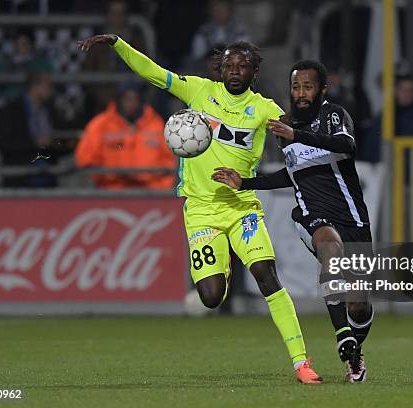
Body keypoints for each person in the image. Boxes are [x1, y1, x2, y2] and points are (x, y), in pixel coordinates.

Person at [78, 34, 322, 384]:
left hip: (241, 209)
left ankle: (301, 362)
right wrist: (118, 43)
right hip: (201, 209)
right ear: (220, 70)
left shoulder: (265, 109)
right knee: (210, 297)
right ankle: (218, 267)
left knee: (267, 275)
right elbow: (153, 73)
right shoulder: (199, 92)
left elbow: (298, 136)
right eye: (229, 65)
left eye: (242, 66)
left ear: (254, 72)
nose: (235, 71)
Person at [212, 60, 375, 383]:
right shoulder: (285, 127)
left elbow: (348, 146)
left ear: (322, 90)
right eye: (296, 87)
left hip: (352, 217)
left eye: (308, 87)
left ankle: (354, 347)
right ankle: (342, 333)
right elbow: (292, 173)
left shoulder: (332, 115)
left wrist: (298, 135)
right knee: (329, 246)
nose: (300, 93)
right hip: (311, 214)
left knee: (359, 304)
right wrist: (245, 183)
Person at [75, 82, 176, 190]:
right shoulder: (100, 125)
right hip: (111, 192)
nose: (131, 104)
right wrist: (108, 175)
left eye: (134, 98)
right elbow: (85, 160)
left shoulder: (156, 124)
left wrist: (157, 182)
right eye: (127, 99)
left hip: (150, 193)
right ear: (119, 100)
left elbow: (169, 162)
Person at [0, 71, 58, 188]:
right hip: (21, 175)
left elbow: (58, 139)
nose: (51, 91)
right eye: (48, 86)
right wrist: (35, 143)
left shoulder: (50, 111)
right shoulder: (10, 111)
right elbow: (5, 143)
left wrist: (53, 143)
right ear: (35, 87)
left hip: (47, 175)